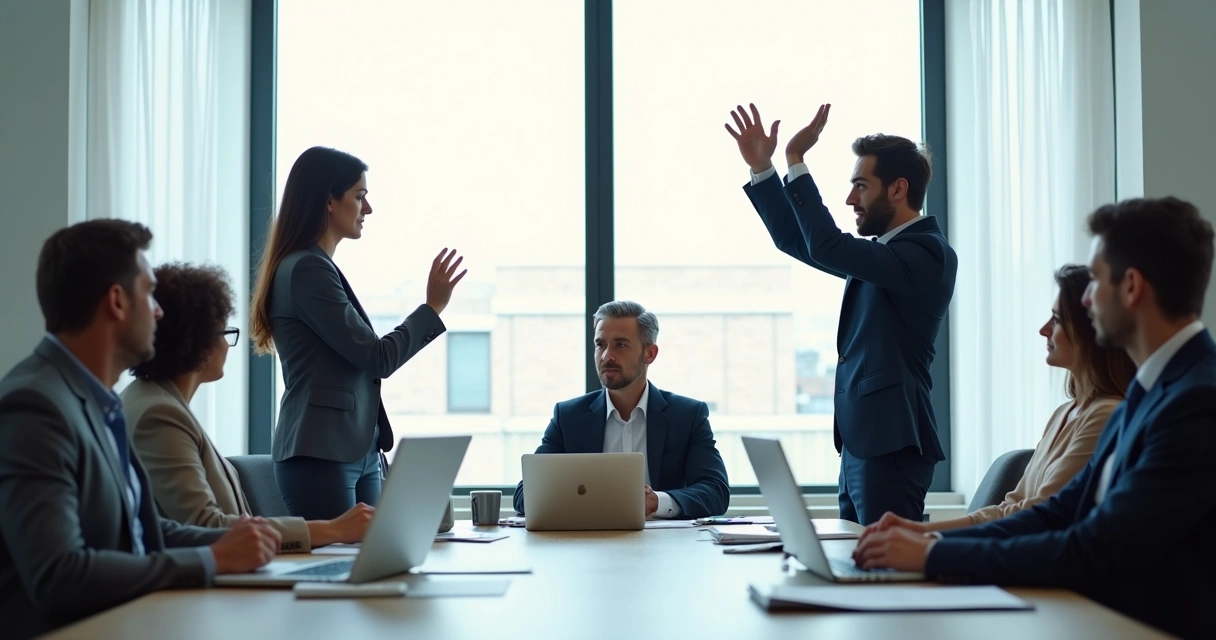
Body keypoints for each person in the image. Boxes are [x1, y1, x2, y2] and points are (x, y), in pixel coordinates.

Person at [853, 197, 1216, 640]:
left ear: (1132, 287)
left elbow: (1094, 549)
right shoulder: (1149, 390)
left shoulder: (1196, 401)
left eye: (1095, 280)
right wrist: (931, 542)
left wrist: (931, 558)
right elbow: (1056, 514)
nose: (1085, 298)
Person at [0, 220, 280, 639]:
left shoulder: (96, 398)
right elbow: (59, 574)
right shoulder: (36, 406)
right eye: (149, 293)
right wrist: (212, 559)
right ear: (116, 301)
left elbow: (138, 528)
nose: (159, 310)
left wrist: (229, 540)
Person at [726, 103, 957, 525]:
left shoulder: (926, 253)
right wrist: (763, 169)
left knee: (885, 577)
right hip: (863, 443)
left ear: (898, 189)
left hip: (892, 444)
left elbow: (827, 244)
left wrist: (796, 161)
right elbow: (802, 242)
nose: (850, 198)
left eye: (860, 186)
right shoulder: (884, 257)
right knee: (858, 565)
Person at [250, 146, 466, 520]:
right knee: (339, 571)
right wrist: (432, 308)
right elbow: (377, 357)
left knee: (371, 564)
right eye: (360, 196)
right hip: (321, 453)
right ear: (329, 201)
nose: (368, 209)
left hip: (356, 450)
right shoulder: (307, 270)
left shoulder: (316, 267)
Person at [125, 262, 374, 552]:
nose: (227, 344)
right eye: (224, 332)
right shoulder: (158, 415)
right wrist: (333, 529)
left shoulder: (158, 402)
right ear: (199, 341)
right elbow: (207, 526)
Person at [879, 265, 1135, 534]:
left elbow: (1040, 513)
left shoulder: (1106, 414)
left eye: (1057, 320)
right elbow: (1012, 505)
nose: (1043, 330)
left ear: (1090, 332)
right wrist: (921, 531)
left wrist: (933, 540)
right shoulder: (1065, 412)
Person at [513, 301, 730, 519]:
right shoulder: (569, 417)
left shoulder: (687, 415)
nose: (607, 356)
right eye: (600, 344)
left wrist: (657, 502)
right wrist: (583, 501)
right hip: (586, 546)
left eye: (621, 345)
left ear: (650, 354)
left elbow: (715, 492)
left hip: (664, 546)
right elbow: (524, 494)